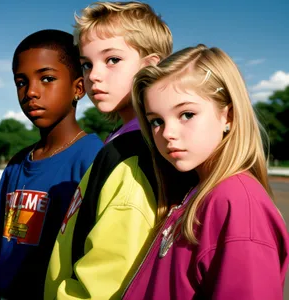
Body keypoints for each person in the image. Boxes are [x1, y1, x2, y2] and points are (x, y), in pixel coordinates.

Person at [45, 2, 194, 300]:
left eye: (111, 60)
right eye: (87, 64)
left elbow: (107, 283)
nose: (94, 75)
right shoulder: (118, 143)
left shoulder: (134, 154)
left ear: (150, 67)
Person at [122, 44, 289, 299]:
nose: (167, 133)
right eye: (157, 120)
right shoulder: (200, 190)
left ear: (228, 116)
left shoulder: (237, 203)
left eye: (186, 114)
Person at [0, 29, 104, 299]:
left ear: (79, 88)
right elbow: (2, 248)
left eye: (47, 79)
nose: (30, 92)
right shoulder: (17, 164)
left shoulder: (94, 159)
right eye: (21, 82)